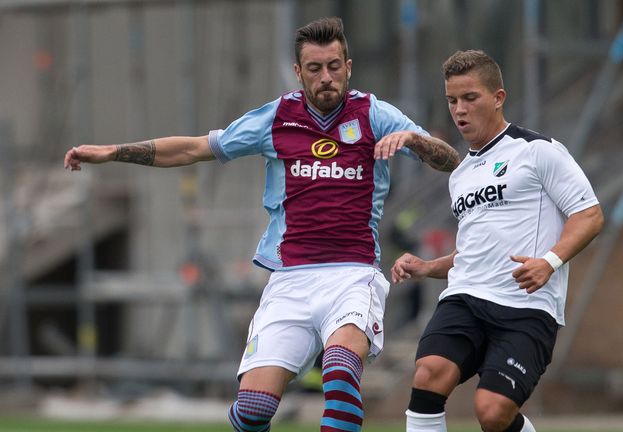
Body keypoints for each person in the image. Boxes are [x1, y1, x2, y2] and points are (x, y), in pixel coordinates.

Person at [63, 17, 459, 432]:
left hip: (351, 275)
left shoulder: (374, 114)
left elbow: (449, 159)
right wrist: (113, 151)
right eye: (315, 68)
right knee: (252, 408)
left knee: (341, 369)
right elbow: (196, 148)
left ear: (348, 66)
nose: (326, 77)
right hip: (289, 280)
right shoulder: (276, 118)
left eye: (334, 66)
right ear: (298, 72)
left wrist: (414, 140)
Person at [391, 50, 604, 432]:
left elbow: (589, 215)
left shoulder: (538, 151)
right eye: (452, 100)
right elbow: (474, 252)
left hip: (526, 308)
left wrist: (549, 262)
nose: (460, 110)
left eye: (470, 98)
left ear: (498, 98)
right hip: (466, 298)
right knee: (428, 373)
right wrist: (428, 267)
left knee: (492, 412)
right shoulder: (460, 175)